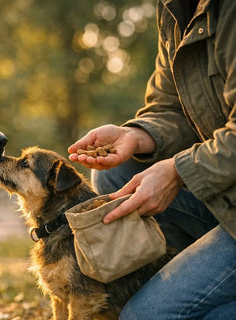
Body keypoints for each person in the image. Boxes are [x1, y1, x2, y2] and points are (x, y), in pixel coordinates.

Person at [68, 0, 236, 319]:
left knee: (143, 316)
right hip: (228, 194)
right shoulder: (174, 9)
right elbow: (170, 105)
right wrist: (136, 136)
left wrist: (178, 171)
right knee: (115, 178)